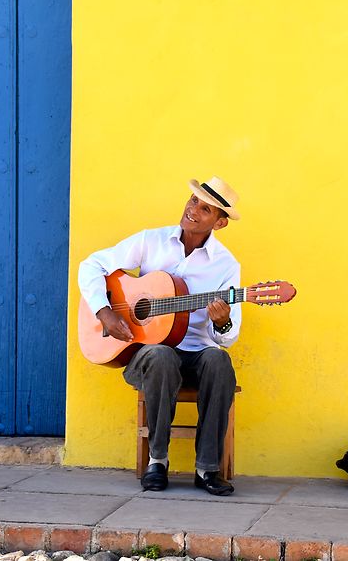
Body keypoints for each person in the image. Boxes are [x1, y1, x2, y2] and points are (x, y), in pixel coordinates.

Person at [78, 176, 242, 496]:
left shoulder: (226, 266)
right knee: (160, 353)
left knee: (219, 360)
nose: (193, 210)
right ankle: (158, 460)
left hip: (196, 353)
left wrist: (221, 323)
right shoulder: (149, 241)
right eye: (193, 201)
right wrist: (104, 312)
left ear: (220, 223)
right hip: (145, 353)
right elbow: (91, 265)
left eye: (205, 209)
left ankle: (208, 467)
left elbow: (229, 335)